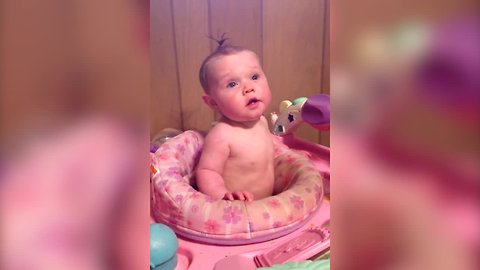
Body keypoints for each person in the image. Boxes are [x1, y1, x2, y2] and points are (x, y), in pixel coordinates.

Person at [195, 38, 274, 202]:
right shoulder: (222, 135)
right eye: (232, 84)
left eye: (254, 77)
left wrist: (288, 152)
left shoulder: (262, 122)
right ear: (213, 102)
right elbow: (207, 171)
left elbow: (267, 151)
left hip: (267, 207)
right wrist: (223, 195)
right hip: (237, 213)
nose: (248, 87)